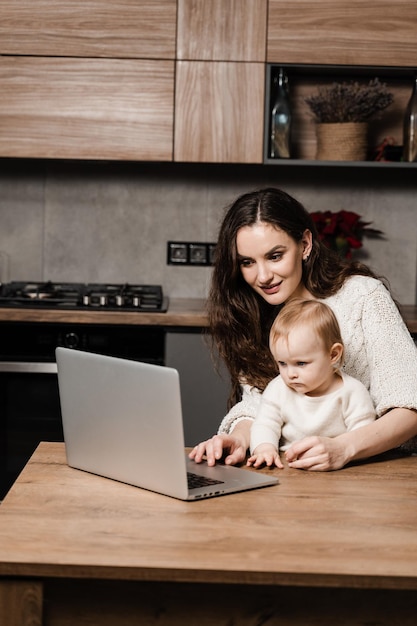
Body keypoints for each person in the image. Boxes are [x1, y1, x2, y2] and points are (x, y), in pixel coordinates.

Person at [189, 187, 417, 471]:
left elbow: (410, 407)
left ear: (305, 244)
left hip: (373, 471)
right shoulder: (252, 312)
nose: (262, 276)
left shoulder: (363, 297)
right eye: (247, 262)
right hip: (293, 473)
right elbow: (260, 406)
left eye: (275, 256)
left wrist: (345, 448)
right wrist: (237, 439)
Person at [247, 299, 376, 469]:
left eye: (301, 363)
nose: (290, 374)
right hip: (288, 466)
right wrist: (264, 448)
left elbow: (362, 435)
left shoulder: (352, 392)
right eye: (282, 363)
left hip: (340, 469)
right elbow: (265, 424)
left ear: (333, 355)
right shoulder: (278, 389)